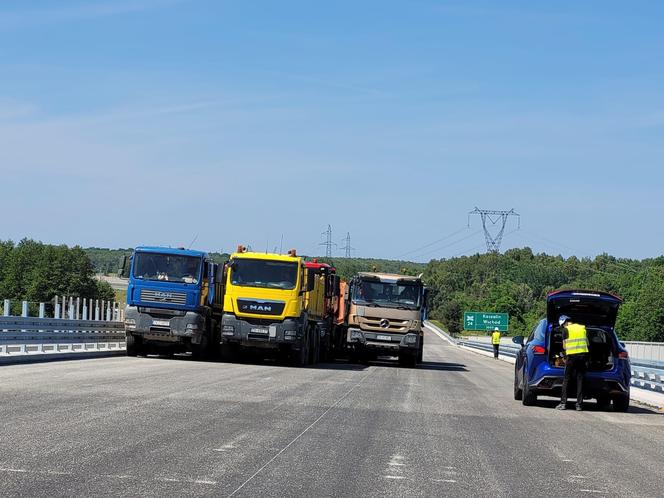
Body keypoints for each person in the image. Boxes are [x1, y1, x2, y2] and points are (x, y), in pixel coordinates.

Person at [556, 315, 589, 411]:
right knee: (580, 379)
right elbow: (587, 343)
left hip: (571, 357)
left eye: (562, 325)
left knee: (566, 379)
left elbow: (565, 346)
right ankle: (579, 405)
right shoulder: (582, 328)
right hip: (582, 356)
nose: (562, 327)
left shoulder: (566, 330)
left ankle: (563, 403)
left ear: (564, 322)